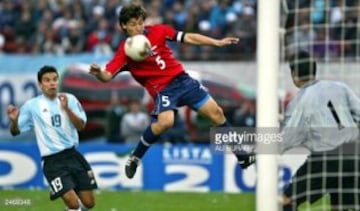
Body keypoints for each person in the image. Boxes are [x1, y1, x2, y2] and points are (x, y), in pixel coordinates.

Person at [89, 3, 254, 179]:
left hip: (183, 80)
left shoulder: (159, 30)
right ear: (123, 26)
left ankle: (242, 156)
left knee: (216, 113)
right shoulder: (125, 51)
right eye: (132, 24)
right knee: (166, 122)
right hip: (163, 89)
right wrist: (99, 73)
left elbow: (188, 38)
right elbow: (107, 75)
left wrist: (216, 42)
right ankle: (135, 157)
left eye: (139, 23)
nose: (138, 27)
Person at [7, 66, 97, 211]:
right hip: (52, 161)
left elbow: (81, 126)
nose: (52, 83)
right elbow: (15, 132)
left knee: (89, 203)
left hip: (73, 155)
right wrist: (14, 121)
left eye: (54, 79)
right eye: (47, 80)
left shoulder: (70, 99)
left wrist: (67, 109)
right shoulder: (32, 106)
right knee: (73, 203)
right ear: (40, 84)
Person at [280, 51, 360, 210]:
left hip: (326, 158)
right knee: (340, 205)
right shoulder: (340, 87)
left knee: (285, 201)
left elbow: (287, 139)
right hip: (355, 155)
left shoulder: (300, 102)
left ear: (294, 73)